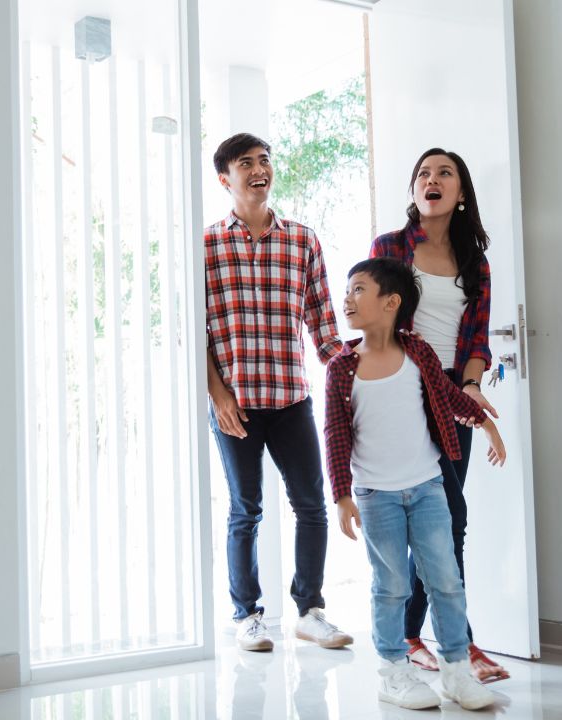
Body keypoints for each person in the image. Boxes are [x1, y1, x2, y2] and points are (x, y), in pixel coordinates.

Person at [325, 258, 507, 710]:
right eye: (347, 290)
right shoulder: (342, 368)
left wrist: (485, 425)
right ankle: (393, 673)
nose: (347, 298)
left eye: (358, 289)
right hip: (376, 496)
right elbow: (335, 434)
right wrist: (343, 495)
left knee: (445, 580)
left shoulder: (418, 354)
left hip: (427, 489)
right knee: (390, 586)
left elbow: (449, 398)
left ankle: (456, 673)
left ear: (391, 303)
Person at [205, 132, 352, 652]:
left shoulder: (302, 240)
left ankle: (310, 610)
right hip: (236, 403)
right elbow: (194, 333)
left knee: (311, 504)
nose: (259, 169)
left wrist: (364, 369)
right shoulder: (206, 246)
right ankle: (247, 615)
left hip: (292, 397)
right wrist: (218, 395)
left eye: (265, 160)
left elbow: (325, 329)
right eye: (246, 163)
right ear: (226, 179)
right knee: (245, 508)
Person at [369, 147, 509, 681]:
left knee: (443, 516)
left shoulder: (475, 262)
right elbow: (377, 325)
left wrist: (471, 386)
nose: (432, 180)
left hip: (453, 394)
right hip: (404, 391)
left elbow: (476, 337)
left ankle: (411, 633)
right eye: (423, 174)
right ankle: (461, 644)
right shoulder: (391, 248)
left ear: (460, 192)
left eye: (444, 173)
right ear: (413, 191)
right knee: (449, 515)